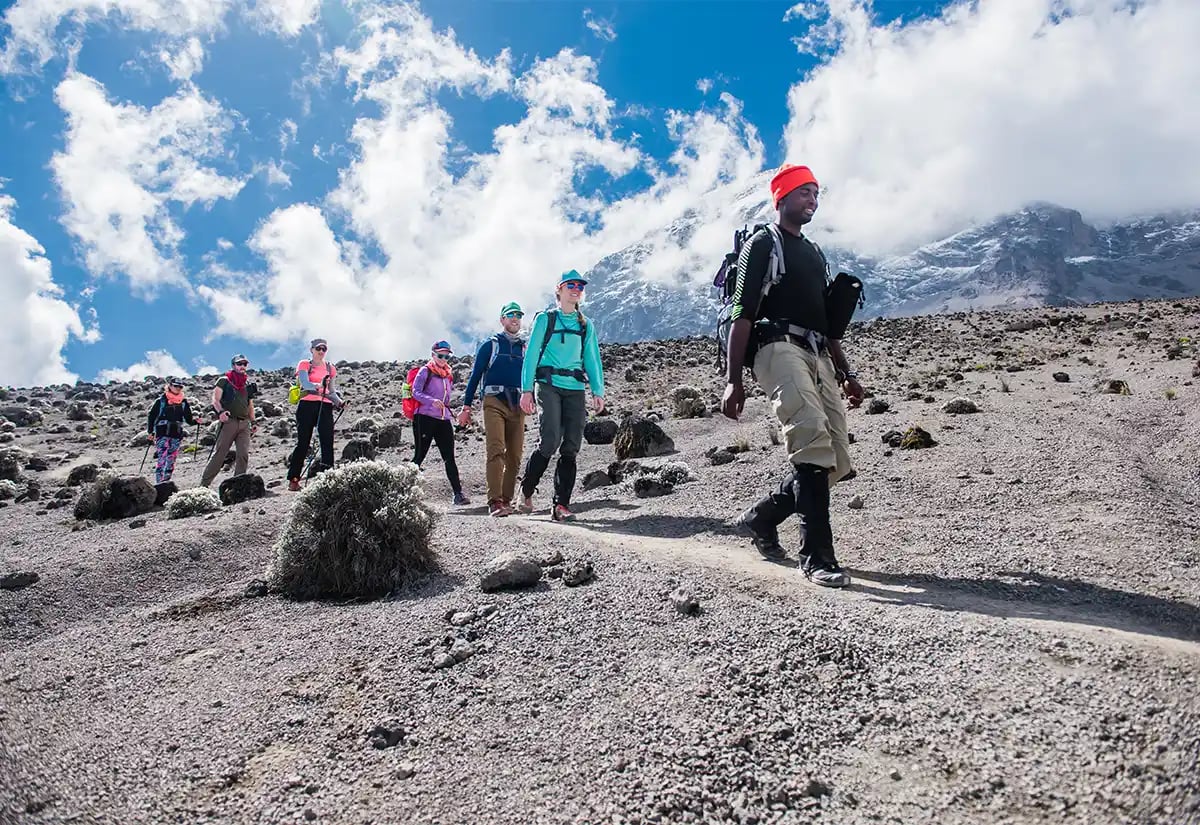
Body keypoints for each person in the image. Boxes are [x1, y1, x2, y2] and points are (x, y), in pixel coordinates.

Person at [720, 163, 865, 588]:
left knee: (835, 457)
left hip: (817, 351)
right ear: (781, 197)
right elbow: (741, 314)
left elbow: (825, 323)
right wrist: (734, 379)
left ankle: (762, 517)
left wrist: (847, 372)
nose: (812, 200)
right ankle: (816, 556)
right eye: (804, 193)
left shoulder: (814, 253)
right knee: (810, 439)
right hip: (775, 346)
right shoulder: (763, 243)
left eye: (817, 194)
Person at [518, 270, 605, 522]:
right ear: (559, 289)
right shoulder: (546, 319)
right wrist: (526, 390)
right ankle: (526, 489)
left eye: (580, 285)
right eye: (571, 285)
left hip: (575, 388)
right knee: (549, 440)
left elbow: (592, 358)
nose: (576, 289)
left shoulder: (585, 324)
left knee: (571, 446)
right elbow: (531, 355)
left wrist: (597, 391)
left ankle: (561, 505)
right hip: (548, 385)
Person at [459, 302, 527, 517]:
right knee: (496, 450)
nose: (515, 319)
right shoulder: (490, 345)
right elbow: (475, 376)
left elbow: (532, 376)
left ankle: (506, 500)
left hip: (517, 404)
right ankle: (495, 501)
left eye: (518, 315)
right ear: (502, 320)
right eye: (510, 315)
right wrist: (466, 407)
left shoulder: (525, 348)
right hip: (494, 402)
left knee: (515, 455)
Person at [412, 340, 469, 506]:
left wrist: (454, 415)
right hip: (424, 418)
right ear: (433, 354)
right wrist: (431, 401)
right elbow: (416, 392)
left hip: (443, 419)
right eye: (440, 355)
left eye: (446, 355)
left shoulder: (447, 374)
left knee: (449, 457)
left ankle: (458, 494)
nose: (444, 358)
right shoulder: (425, 371)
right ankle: (403, 490)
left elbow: (446, 400)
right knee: (419, 456)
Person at [287, 338, 347, 491]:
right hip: (307, 405)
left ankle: (328, 478)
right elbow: (305, 383)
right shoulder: (304, 364)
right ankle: (294, 479)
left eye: (324, 349)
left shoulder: (330, 368)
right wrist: (319, 385)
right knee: (303, 442)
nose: (321, 351)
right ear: (312, 350)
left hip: (325, 405)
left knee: (327, 441)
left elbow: (331, 391)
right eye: (318, 348)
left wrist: (339, 402)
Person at [200, 354, 257, 488]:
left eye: (244, 364)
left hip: (244, 423)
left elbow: (250, 405)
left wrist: (253, 422)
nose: (242, 366)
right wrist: (220, 412)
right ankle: (204, 485)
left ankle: (238, 484)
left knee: (243, 454)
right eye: (239, 364)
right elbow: (215, 399)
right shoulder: (224, 380)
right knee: (220, 454)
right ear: (233, 365)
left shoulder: (247, 384)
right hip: (228, 422)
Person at [145, 378, 202, 484]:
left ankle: (166, 482)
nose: (178, 388)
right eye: (176, 386)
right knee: (162, 456)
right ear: (170, 386)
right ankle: (159, 482)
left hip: (176, 433)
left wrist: (196, 422)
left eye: (180, 387)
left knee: (172, 458)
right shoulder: (161, 401)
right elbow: (152, 416)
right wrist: (150, 432)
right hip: (162, 432)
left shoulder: (183, 402)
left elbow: (188, 419)